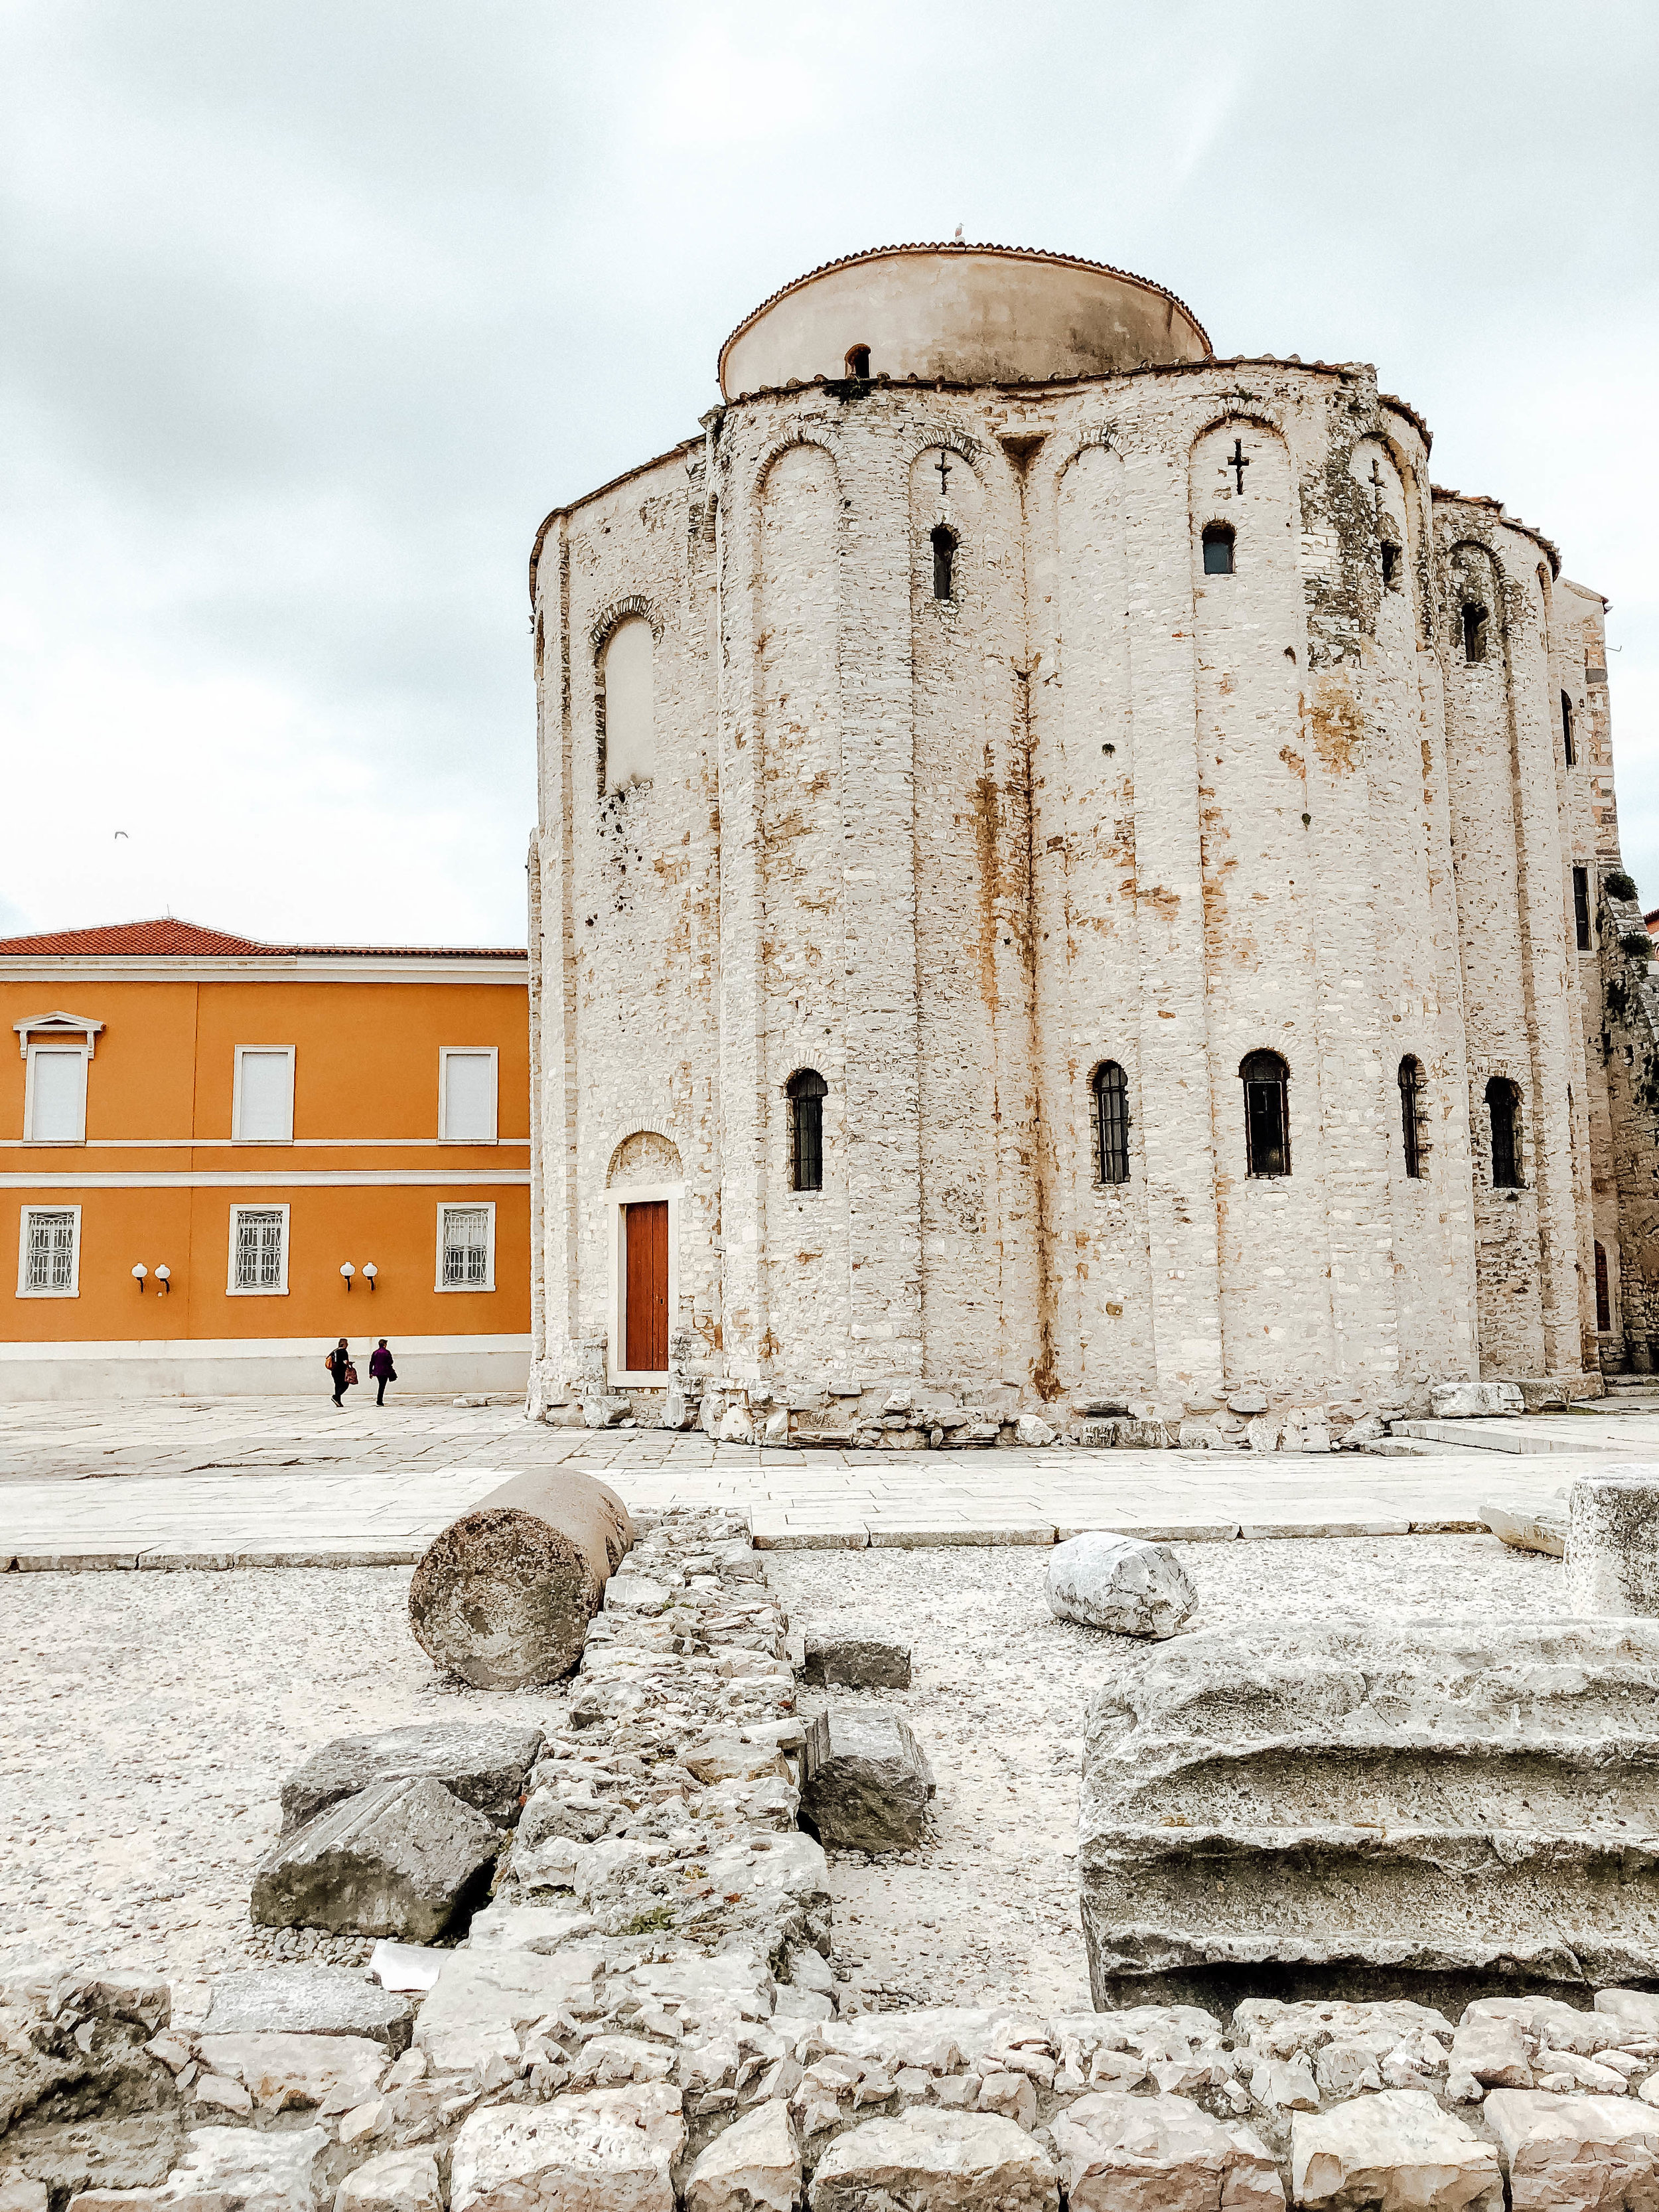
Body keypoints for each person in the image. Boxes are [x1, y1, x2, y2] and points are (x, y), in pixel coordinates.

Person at [325, 1338, 354, 1406]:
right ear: (344, 1344)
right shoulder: (344, 1351)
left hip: (334, 1371)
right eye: (347, 1343)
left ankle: (338, 1402)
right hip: (341, 1371)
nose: (348, 1345)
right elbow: (345, 1362)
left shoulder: (335, 1351)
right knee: (345, 1384)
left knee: (337, 1385)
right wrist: (349, 1363)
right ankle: (336, 1396)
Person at [369, 1339, 396, 1407]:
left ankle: (379, 1401)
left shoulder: (375, 1352)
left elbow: (371, 1363)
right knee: (382, 1386)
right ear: (384, 1345)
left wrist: (370, 1372)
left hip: (377, 1372)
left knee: (381, 1385)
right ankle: (379, 1401)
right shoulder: (387, 1352)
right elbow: (391, 1362)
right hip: (385, 1371)